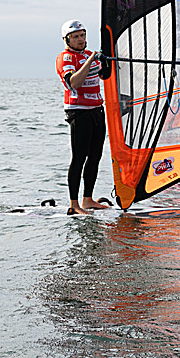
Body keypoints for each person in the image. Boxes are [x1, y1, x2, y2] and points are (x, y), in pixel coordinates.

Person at [55, 20, 110, 215]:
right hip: (78, 112)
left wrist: (106, 59)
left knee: (95, 156)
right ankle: (74, 204)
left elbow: (105, 76)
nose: (81, 40)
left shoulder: (90, 55)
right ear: (67, 39)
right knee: (79, 157)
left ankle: (88, 199)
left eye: (83, 35)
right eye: (76, 37)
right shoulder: (65, 58)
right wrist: (90, 60)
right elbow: (75, 83)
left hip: (97, 109)